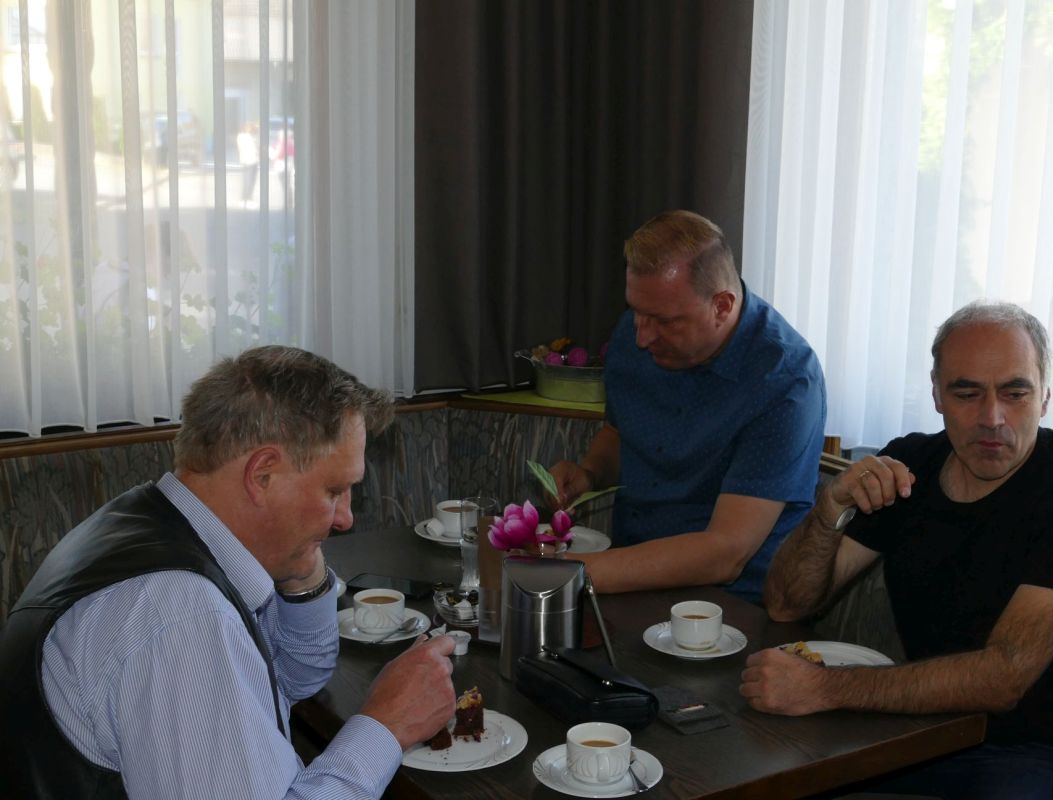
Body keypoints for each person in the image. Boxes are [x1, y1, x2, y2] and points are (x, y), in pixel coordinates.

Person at [0, 346, 457, 798]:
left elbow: (289, 681)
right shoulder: (178, 614)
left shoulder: (158, 525)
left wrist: (304, 576)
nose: (345, 518)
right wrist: (386, 725)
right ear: (262, 475)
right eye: (334, 490)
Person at [741, 301, 1053, 799]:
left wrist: (823, 689)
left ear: (1045, 397)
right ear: (936, 394)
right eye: (967, 393)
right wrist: (829, 510)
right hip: (928, 731)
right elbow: (786, 605)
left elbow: (1003, 676)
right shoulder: (910, 468)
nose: (992, 418)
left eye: (1015, 393)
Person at [550, 210, 827, 603]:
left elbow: (725, 553)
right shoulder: (638, 331)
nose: (641, 337)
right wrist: (590, 473)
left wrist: (563, 574)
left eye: (665, 321)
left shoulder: (786, 380)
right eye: (636, 311)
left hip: (731, 605)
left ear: (722, 306)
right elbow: (620, 431)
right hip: (628, 574)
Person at [237, 121, 259, 207]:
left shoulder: (241, 136)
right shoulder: (248, 137)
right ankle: (247, 198)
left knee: (248, 180)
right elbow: (255, 148)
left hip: (247, 160)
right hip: (251, 160)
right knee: (249, 180)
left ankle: (246, 198)